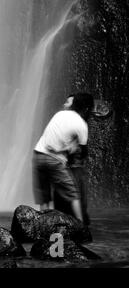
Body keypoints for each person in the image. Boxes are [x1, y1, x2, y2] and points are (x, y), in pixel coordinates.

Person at [32, 93, 95, 223]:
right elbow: (83, 152)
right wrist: (70, 150)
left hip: (38, 154)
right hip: (54, 160)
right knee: (73, 195)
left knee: (44, 198)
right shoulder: (81, 125)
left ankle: (43, 226)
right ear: (87, 109)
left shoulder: (59, 114)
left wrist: (64, 147)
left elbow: (53, 136)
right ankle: (80, 224)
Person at [54, 95, 91, 225]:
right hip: (72, 171)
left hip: (71, 171)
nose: (64, 104)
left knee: (67, 210)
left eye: (68, 102)